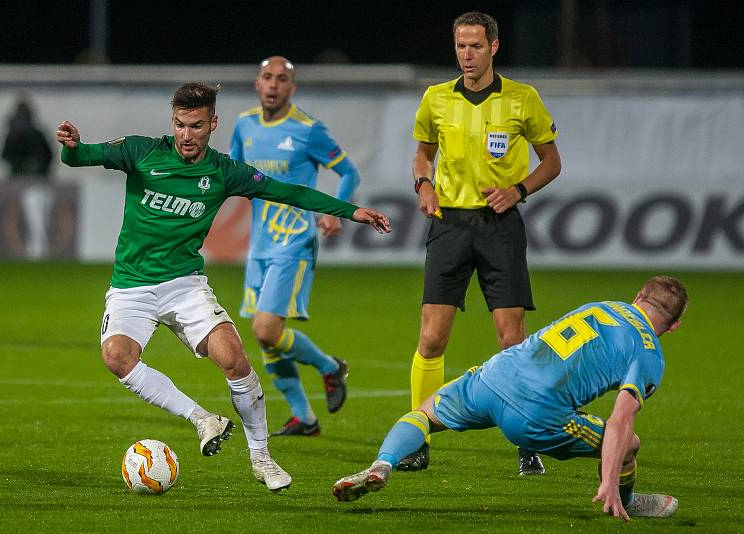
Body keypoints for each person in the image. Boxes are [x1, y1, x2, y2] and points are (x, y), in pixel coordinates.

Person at [56, 82, 391, 492]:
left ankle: (262, 457)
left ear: (212, 124)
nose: (186, 135)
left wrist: (350, 210)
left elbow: (287, 191)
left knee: (235, 360)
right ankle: (203, 419)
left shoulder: (223, 171)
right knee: (116, 357)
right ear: (172, 122)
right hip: (132, 287)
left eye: (196, 126)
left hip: (184, 286)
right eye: (180, 125)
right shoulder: (141, 151)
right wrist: (71, 146)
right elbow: (82, 156)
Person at [334, 276, 688, 521]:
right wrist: (608, 480)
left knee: (426, 413)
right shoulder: (648, 353)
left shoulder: (604, 305)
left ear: (638, 296)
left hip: (498, 374)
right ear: (674, 326)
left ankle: (383, 463)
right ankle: (625, 501)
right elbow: (620, 420)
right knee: (630, 444)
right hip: (536, 414)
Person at [402, 11, 562, 475]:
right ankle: (416, 439)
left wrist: (520, 189)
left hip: (500, 225)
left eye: (475, 46)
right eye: (459, 46)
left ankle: (527, 439)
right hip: (449, 224)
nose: (466, 55)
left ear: (494, 46)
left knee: (511, 340)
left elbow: (551, 161)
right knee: (431, 338)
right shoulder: (436, 99)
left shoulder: (522, 98)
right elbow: (422, 152)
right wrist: (422, 183)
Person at [229, 57, 359, 437]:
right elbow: (232, 174)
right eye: (267, 78)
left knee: (267, 330)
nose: (273, 85)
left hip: (294, 241)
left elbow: (349, 171)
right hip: (260, 246)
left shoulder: (308, 130)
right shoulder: (244, 124)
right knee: (266, 341)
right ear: (257, 83)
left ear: (292, 88)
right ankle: (305, 418)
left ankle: (329, 367)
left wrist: (336, 213)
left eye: (281, 80)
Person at [1, 96, 53, 179]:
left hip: (32, 177)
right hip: (22, 176)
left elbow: (48, 156)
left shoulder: (36, 135)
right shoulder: (36, 134)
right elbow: (4, 155)